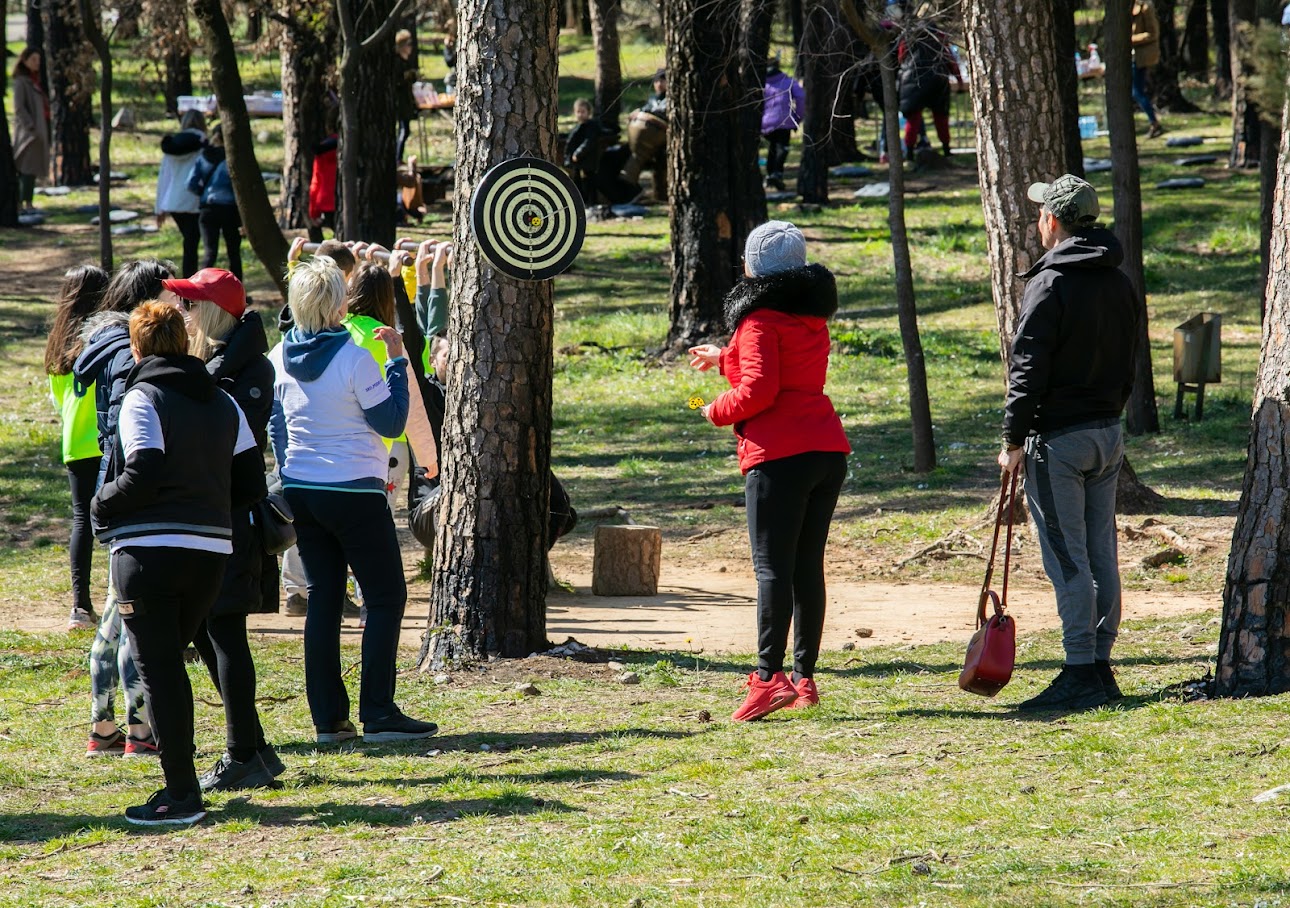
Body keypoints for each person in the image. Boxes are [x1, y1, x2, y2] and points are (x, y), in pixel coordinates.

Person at [93, 301, 265, 826]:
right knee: (171, 668)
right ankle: (182, 786)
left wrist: (101, 503)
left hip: (147, 554)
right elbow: (251, 483)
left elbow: (144, 468)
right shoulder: (224, 401)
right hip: (210, 556)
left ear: (138, 347)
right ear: (185, 342)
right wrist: (204, 512)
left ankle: (181, 794)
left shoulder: (140, 396)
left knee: (161, 671)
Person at [268, 256, 437, 744]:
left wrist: (291, 466)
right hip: (355, 491)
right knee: (385, 597)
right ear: (339, 305)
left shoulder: (279, 356)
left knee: (323, 598)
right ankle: (379, 713)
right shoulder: (356, 357)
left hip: (301, 489)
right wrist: (400, 363)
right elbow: (389, 423)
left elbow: (276, 425)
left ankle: (329, 720)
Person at [688, 221, 851, 721]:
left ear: (755, 269)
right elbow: (784, 365)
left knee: (772, 569)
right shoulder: (809, 313)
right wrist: (726, 358)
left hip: (780, 456)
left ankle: (766, 677)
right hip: (826, 450)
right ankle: (803, 678)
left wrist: (713, 409)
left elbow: (759, 392)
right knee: (806, 568)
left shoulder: (757, 321)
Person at [998, 175, 1138, 712]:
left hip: (1058, 440)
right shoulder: (1117, 279)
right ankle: (1100, 666)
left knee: (1068, 558)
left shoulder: (1050, 281)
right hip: (1107, 433)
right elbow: (1130, 358)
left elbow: (1026, 368)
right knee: (1101, 552)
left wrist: (1013, 438)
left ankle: (1081, 670)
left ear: (1052, 221)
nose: (1037, 221)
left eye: (1040, 214)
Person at [160, 268, 284, 790]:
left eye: (191, 305)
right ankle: (255, 748)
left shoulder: (243, 370)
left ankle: (243, 757)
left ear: (210, 314)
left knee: (226, 633)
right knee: (212, 635)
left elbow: (233, 447)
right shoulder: (215, 364)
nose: (182, 313)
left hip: (232, 519)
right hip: (215, 516)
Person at [74, 260, 174, 757]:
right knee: (129, 620)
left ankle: (104, 726)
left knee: (115, 617)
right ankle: (136, 731)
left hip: (114, 496)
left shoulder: (105, 347)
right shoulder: (128, 359)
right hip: (130, 500)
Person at [44, 265, 110, 631]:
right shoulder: (101, 336)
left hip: (74, 440)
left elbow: (58, 398)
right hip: (103, 436)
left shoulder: (57, 340)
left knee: (82, 520)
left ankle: (80, 607)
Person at [897, 18, 961, 159]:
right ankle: (946, 149)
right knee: (941, 117)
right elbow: (950, 60)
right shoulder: (939, 38)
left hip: (912, 80)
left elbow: (901, 58)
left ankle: (909, 153)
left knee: (913, 119)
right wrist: (959, 80)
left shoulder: (908, 38)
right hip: (938, 80)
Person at [187, 124, 243, 280]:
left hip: (208, 209)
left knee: (210, 252)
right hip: (230, 210)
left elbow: (190, 184)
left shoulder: (203, 156)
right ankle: (239, 291)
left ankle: (200, 289)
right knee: (234, 253)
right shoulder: (234, 158)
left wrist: (204, 194)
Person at [156, 110, 208, 278]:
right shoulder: (205, 143)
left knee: (189, 242)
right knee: (192, 243)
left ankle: (188, 281)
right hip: (195, 200)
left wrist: (159, 208)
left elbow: (165, 177)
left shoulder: (171, 146)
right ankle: (189, 283)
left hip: (174, 202)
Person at [12, 47, 49, 214]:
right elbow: (19, 107)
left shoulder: (35, 80)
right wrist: (31, 126)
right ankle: (21, 202)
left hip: (38, 131)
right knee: (26, 168)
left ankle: (28, 201)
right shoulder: (21, 82)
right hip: (28, 134)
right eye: (33, 59)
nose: (37, 63)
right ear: (25, 60)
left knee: (32, 169)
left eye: (38, 60)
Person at [760, 57, 805, 191]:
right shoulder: (788, 81)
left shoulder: (760, 83)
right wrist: (797, 118)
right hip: (784, 121)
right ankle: (777, 174)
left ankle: (770, 175)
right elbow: (801, 98)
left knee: (772, 148)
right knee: (782, 148)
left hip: (764, 123)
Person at [1131, 1, 1165, 139]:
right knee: (1135, 91)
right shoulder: (1127, 8)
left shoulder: (1145, 7)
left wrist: (1130, 39)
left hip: (1140, 57)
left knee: (1136, 92)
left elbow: (1153, 33)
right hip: (1130, 56)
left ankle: (1154, 122)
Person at [308, 107, 340, 242]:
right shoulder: (360, 147)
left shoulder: (322, 149)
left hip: (328, 202)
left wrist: (313, 211)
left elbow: (317, 180)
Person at [564, 99, 602, 205]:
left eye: (583, 111)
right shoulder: (579, 126)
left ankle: (591, 203)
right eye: (578, 112)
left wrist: (578, 153)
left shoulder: (592, 126)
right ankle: (581, 203)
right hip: (578, 162)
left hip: (587, 161)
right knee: (577, 182)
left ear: (588, 112)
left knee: (589, 182)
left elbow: (588, 141)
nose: (580, 114)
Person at [395, 30, 419, 163]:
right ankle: (397, 158)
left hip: (406, 101)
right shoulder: (397, 62)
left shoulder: (405, 61)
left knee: (405, 130)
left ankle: (398, 157)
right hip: (400, 102)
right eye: (408, 44)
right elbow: (397, 82)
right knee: (404, 130)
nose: (410, 48)